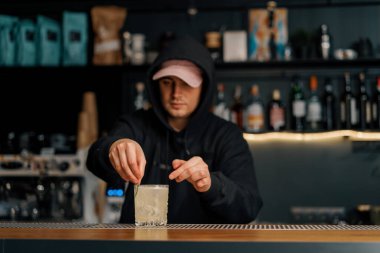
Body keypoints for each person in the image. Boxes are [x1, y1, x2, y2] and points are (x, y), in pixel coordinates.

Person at [86, 35, 263, 224]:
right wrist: (114, 147)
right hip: (140, 245)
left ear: (204, 86)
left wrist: (211, 184)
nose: (176, 94)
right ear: (156, 85)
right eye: (167, 82)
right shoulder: (136, 124)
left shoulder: (227, 135)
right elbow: (94, 158)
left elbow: (248, 206)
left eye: (186, 84)